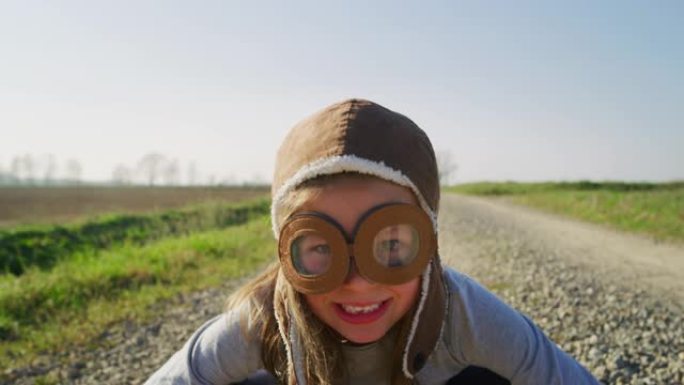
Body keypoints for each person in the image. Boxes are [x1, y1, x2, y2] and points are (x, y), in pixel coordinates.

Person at [145, 99, 600, 385]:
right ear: (286, 252)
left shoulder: (460, 313)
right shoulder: (264, 321)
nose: (359, 283)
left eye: (391, 246)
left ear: (431, 244)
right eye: (320, 247)